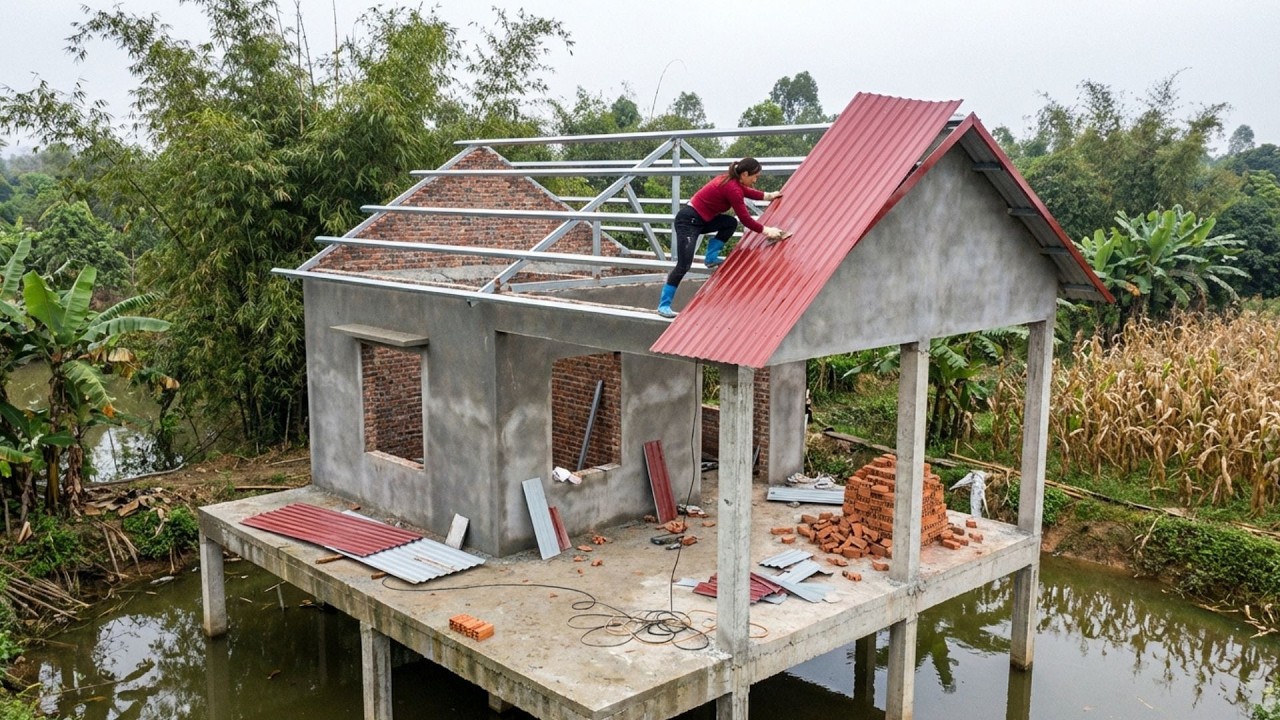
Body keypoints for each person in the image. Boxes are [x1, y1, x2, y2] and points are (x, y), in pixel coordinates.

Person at [656, 157, 786, 318]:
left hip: (703, 220)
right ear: (745, 174)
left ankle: (710, 258)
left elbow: (749, 192)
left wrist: (768, 196)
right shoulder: (732, 187)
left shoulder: (732, 181)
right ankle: (664, 305)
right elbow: (745, 219)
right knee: (684, 265)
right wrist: (767, 230)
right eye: (755, 176)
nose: (756, 180)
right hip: (688, 222)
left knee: (729, 223)